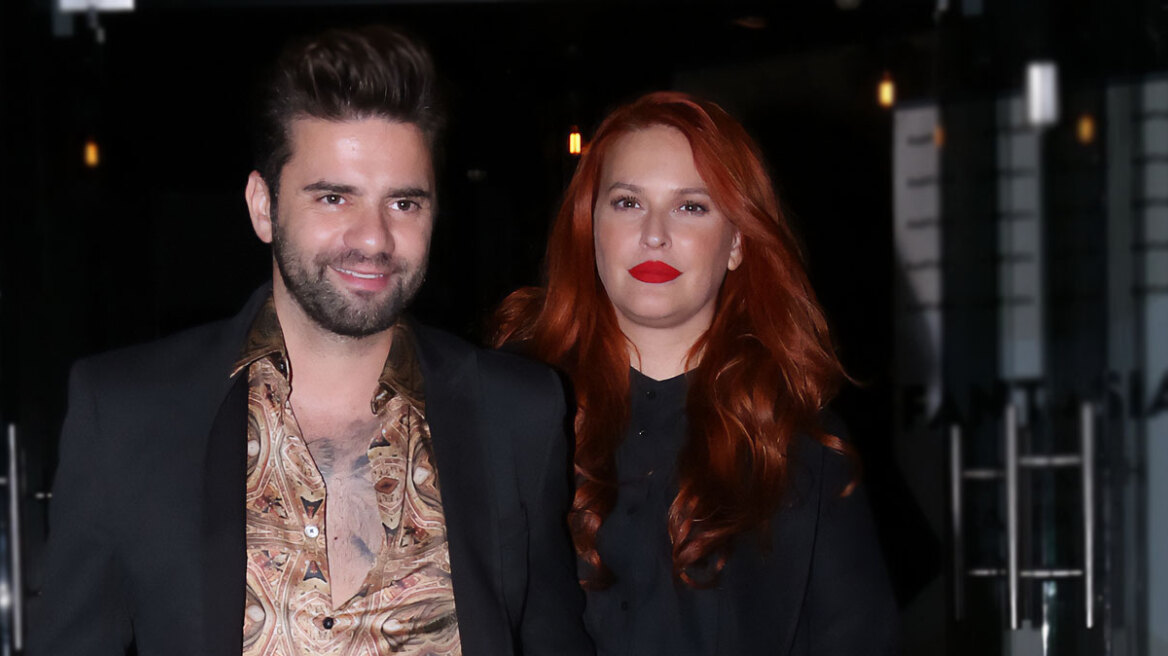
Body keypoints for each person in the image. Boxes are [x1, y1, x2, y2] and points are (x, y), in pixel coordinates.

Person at [29, 26, 590, 656]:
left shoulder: (517, 414)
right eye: (334, 197)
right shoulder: (128, 414)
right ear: (263, 206)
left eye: (404, 203)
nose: (374, 238)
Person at [494, 91, 899, 655]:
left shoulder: (801, 448)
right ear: (590, 228)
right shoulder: (506, 414)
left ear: (737, 241)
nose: (654, 234)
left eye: (691, 207)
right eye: (628, 202)